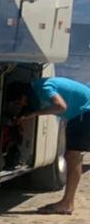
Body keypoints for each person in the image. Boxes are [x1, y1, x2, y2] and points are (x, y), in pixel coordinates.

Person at [6, 76, 90, 215]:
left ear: (23, 94)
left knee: (72, 157)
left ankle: (67, 203)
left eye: (19, 101)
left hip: (84, 112)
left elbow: (60, 106)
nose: (22, 104)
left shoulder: (44, 88)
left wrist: (34, 113)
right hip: (82, 112)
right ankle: (67, 202)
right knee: (72, 156)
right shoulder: (38, 86)